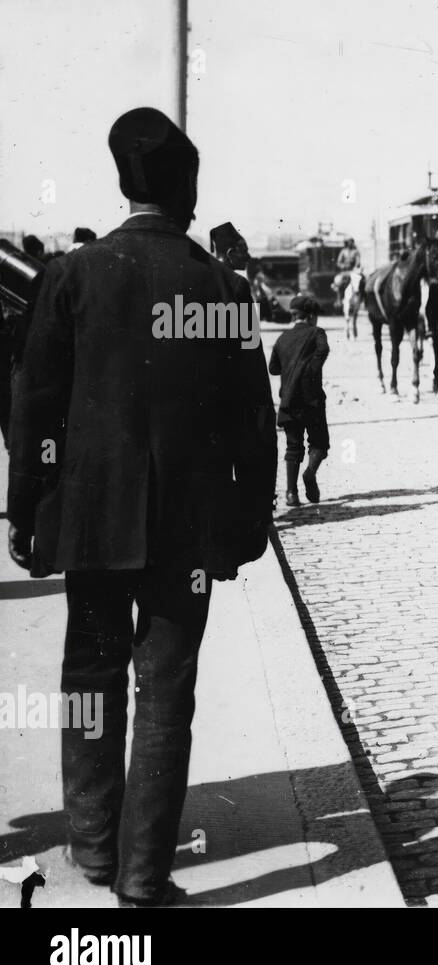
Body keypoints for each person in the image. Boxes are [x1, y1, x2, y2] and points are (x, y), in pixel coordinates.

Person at [6, 106, 276, 905]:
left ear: (125, 185)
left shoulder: (73, 275)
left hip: (92, 523)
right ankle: (142, 877)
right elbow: (253, 425)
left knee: (90, 673)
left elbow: (34, 404)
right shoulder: (221, 287)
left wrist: (23, 510)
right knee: (166, 692)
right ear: (187, 192)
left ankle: (92, 847)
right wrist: (249, 522)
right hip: (185, 533)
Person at [269, 295, 330, 506]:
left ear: (294, 315)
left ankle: (291, 493)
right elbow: (323, 350)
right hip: (311, 400)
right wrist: (310, 371)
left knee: (292, 447)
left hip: (288, 402)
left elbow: (273, 368)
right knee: (319, 444)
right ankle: (310, 473)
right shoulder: (316, 333)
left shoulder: (282, 338)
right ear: (311, 316)